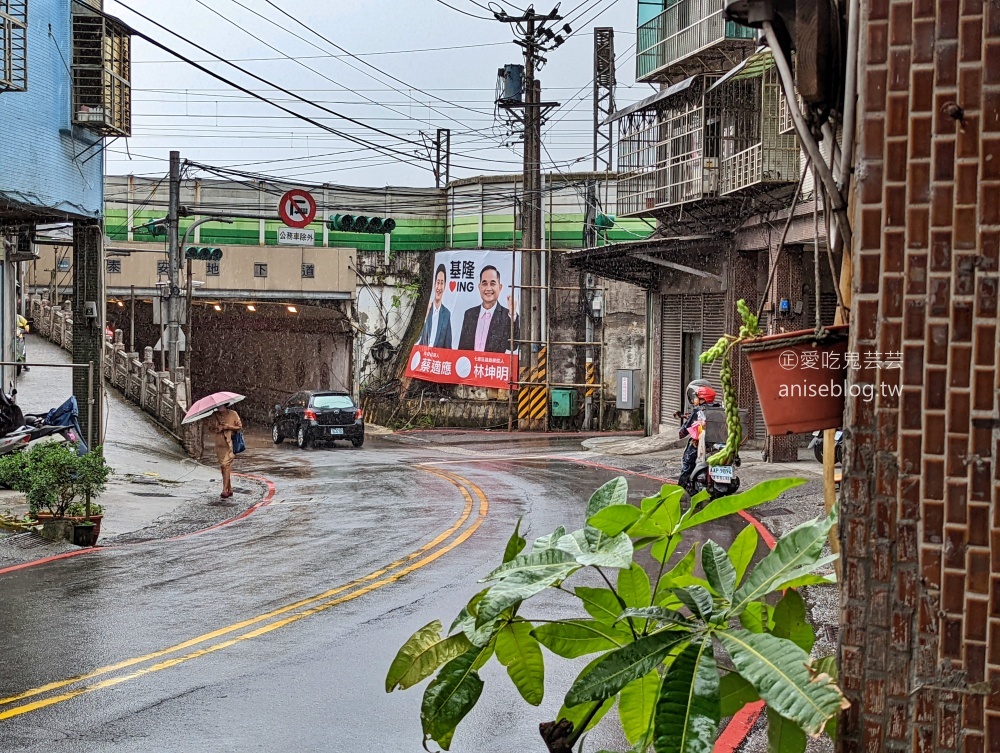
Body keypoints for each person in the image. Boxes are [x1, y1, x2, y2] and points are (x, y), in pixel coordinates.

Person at [457, 265, 519, 353]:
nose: (488, 288)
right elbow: (462, 348)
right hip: (471, 365)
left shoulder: (507, 315)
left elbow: (513, 346)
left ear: (500, 287)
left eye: (493, 283)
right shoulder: (469, 314)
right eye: (484, 283)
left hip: (492, 366)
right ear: (479, 287)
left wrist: (512, 314)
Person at [676, 380, 719, 491]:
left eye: (698, 398)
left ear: (704, 399)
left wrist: (682, 432)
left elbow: (687, 427)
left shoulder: (699, 410)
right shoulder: (719, 409)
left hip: (702, 443)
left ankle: (680, 488)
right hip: (718, 442)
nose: (696, 400)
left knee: (687, 461)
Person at [206, 403, 243, 498]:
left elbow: (239, 427)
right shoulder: (214, 415)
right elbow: (210, 428)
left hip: (230, 444)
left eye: (221, 406)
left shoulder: (233, 414)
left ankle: (224, 490)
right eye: (218, 407)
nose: (219, 408)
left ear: (225, 405)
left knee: (225, 465)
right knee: (223, 467)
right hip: (219, 445)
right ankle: (229, 489)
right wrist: (217, 428)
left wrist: (228, 427)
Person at [419, 263, 453, 348]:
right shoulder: (427, 309)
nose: (439, 287)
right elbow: (418, 339)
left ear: (445, 286)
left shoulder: (446, 314)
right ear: (434, 284)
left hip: (437, 359)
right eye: (438, 282)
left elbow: (448, 346)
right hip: (423, 357)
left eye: (442, 283)